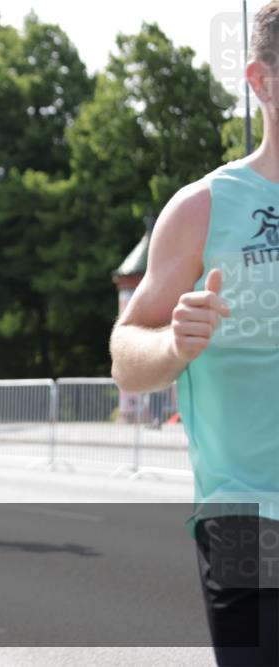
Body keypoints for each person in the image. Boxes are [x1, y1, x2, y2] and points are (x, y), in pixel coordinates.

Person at [110, 5, 279, 663]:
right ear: (262, 82)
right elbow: (128, 358)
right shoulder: (203, 207)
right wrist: (177, 345)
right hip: (246, 513)